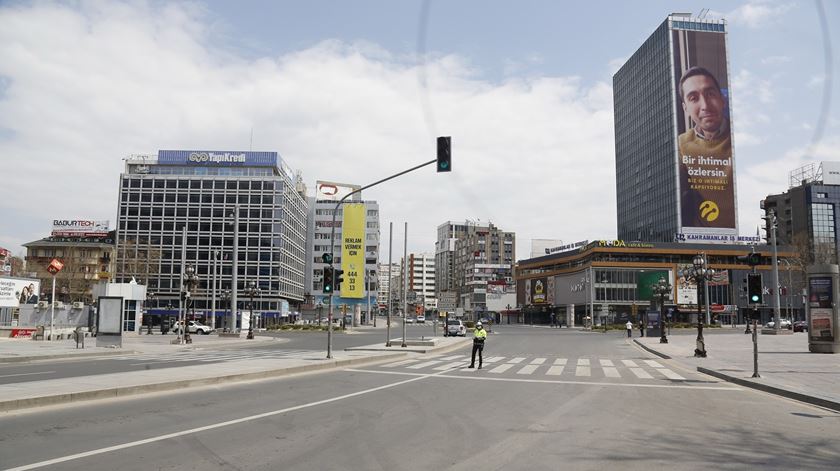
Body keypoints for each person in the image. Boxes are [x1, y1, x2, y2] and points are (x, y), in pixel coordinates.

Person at [676, 66, 735, 228]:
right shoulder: (680, 144)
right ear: (685, 108)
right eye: (694, 98)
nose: (705, 105)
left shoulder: (739, 139)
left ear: (722, 99)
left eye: (710, 94)